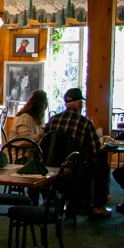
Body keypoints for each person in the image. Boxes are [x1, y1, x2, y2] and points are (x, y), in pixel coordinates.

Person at [42, 87, 110, 218]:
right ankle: (98, 206)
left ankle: (59, 198)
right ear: (79, 104)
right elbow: (95, 149)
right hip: (75, 170)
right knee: (103, 167)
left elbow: (43, 144)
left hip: (51, 167)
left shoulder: (53, 120)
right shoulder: (85, 123)